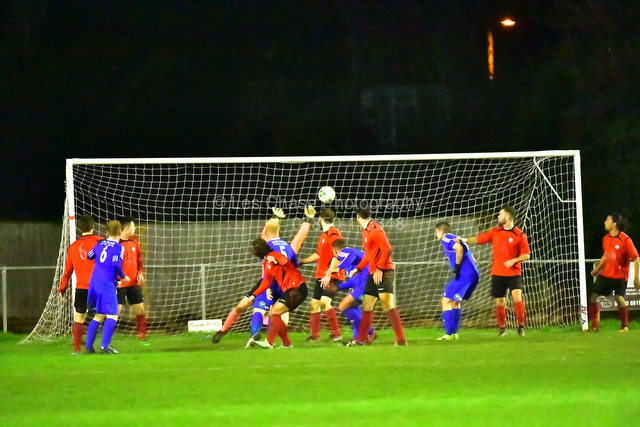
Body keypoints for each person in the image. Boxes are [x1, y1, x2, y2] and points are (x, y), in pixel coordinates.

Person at [212, 206, 315, 344]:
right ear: (279, 231)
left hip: (269, 282)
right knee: (282, 318)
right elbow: (299, 238)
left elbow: (265, 233)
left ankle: (232, 331)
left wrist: (275, 218)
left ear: (266, 232)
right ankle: (274, 340)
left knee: (253, 309)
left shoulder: (267, 246)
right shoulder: (289, 247)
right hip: (285, 286)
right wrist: (308, 220)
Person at [462, 206, 530, 336]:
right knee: (499, 301)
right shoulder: (495, 232)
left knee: (517, 297)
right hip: (497, 273)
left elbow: (526, 255)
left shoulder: (520, 235)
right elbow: (479, 239)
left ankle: (521, 327)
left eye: (500, 214)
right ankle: (502, 329)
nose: (498, 216)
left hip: (514, 273)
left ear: (508, 217)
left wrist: (514, 260)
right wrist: (464, 240)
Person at [349, 207, 406, 346]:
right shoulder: (366, 231)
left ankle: (401, 340)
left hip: (384, 272)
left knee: (387, 305)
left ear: (358, 217)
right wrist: (358, 268)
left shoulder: (376, 230)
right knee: (367, 305)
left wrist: (380, 268)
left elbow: (387, 249)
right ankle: (361, 340)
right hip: (373, 272)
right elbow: (369, 254)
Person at [249, 238, 309, 349]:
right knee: (274, 314)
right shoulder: (266, 263)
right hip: (292, 290)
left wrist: (276, 259)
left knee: (274, 313)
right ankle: (287, 344)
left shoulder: (275, 255)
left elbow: (284, 261)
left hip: (297, 288)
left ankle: (269, 343)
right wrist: (254, 295)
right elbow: (266, 282)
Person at [57, 214, 103, 354]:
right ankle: (98, 346)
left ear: (79, 228)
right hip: (99, 287)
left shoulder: (73, 247)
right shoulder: (100, 243)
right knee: (103, 316)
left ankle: (77, 349)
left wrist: (62, 288)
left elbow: (67, 271)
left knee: (79, 318)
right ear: (93, 226)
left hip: (82, 288)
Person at [299, 208, 344, 342]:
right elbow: (318, 255)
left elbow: (338, 256)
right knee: (314, 303)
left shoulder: (334, 235)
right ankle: (315, 335)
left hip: (333, 276)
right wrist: (302, 261)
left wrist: (328, 274)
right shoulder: (324, 236)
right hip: (321, 275)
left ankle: (336, 333)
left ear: (320, 219)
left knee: (325, 301)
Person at [589, 213, 640, 332]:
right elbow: (605, 256)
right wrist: (597, 270)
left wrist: (636, 278)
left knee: (619, 298)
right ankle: (595, 326)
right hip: (606, 274)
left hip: (620, 276)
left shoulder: (625, 239)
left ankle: (624, 326)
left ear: (614, 223)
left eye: (607, 220)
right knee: (593, 297)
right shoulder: (606, 238)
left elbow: (636, 258)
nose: (605, 222)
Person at [86, 220, 130, 354]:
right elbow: (116, 264)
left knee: (99, 316)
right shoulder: (119, 247)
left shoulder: (99, 244)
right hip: (106, 284)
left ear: (106, 232)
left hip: (94, 283)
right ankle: (104, 346)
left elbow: (89, 256)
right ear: (119, 232)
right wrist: (123, 277)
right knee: (113, 315)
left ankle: (89, 348)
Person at [434, 222, 480, 341]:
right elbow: (473, 258)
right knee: (455, 302)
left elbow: (459, 249)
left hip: (465, 275)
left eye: (436, 232)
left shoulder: (446, 238)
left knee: (445, 301)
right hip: (474, 274)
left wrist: (458, 267)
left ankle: (449, 333)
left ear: (441, 232)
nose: (436, 234)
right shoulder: (457, 238)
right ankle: (454, 333)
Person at [330, 239, 376, 344]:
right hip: (364, 283)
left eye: (333, 252)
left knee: (344, 306)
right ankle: (358, 337)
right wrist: (338, 287)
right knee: (352, 307)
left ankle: (369, 332)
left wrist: (337, 268)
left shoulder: (346, 252)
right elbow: (354, 280)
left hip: (366, 283)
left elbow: (351, 256)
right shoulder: (353, 261)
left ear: (335, 250)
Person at [117, 217, 148, 344]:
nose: (134, 228)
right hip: (120, 284)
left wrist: (140, 272)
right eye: (133, 226)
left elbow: (139, 259)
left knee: (140, 309)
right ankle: (106, 338)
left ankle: (142, 337)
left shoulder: (134, 242)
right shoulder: (116, 244)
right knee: (115, 312)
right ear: (126, 228)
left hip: (134, 283)